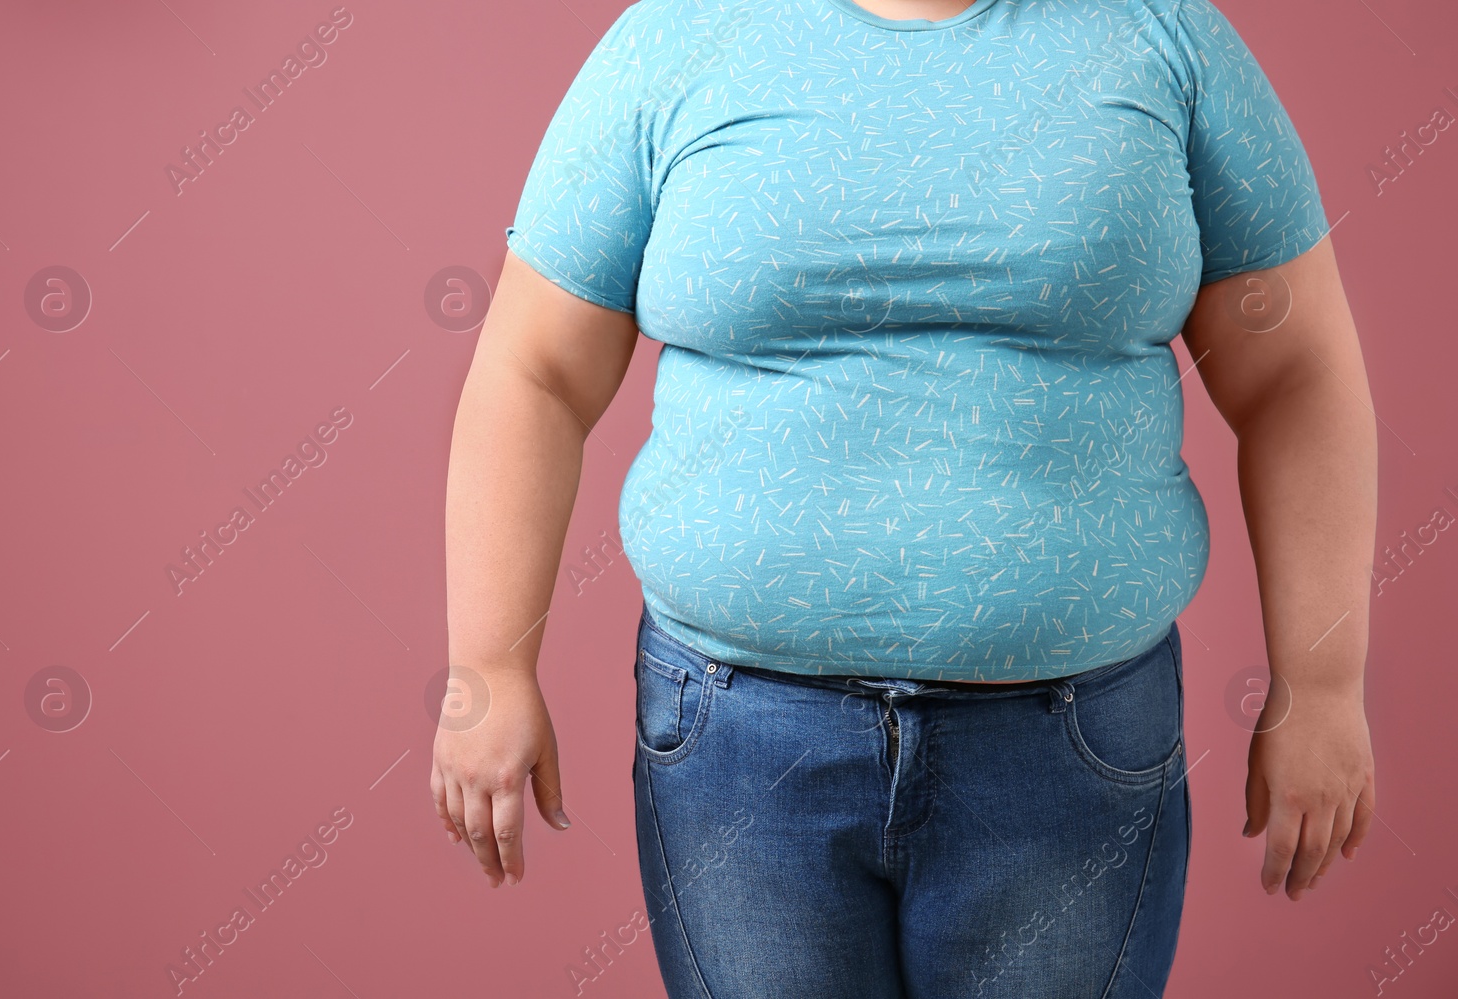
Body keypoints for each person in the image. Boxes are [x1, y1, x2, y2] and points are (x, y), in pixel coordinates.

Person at [434, 0, 1377, 994]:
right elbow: (533, 370)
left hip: (1068, 746)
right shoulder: (676, 39)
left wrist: (1320, 684)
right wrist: (490, 667)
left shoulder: (1160, 39)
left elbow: (1295, 376)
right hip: (739, 742)